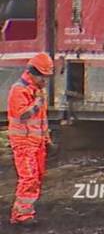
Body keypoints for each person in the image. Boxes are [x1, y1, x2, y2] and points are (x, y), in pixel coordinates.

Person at [7, 53, 53, 226]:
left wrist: (46, 138)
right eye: (44, 77)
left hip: (36, 142)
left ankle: (23, 212)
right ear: (34, 74)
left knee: (36, 177)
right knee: (29, 178)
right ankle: (22, 216)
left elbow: (42, 119)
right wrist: (37, 104)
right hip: (24, 143)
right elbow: (22, 114)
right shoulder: (19, 90)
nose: (45, 81)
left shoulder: (36, 90)